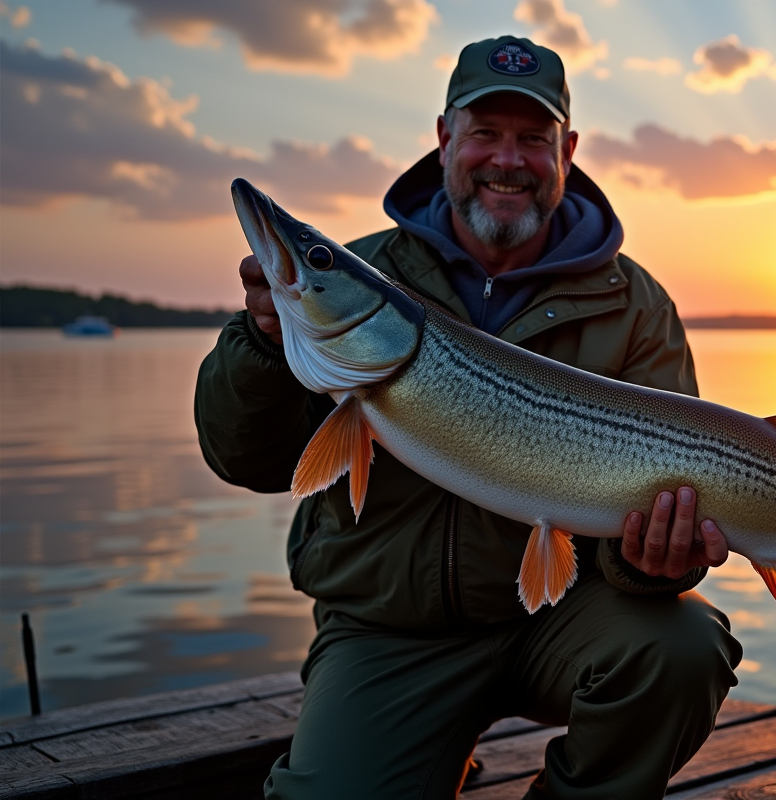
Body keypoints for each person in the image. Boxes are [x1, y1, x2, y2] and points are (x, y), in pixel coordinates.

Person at [195, 35, 742, 800]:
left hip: (562, 616)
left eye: (533, 138)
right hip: (390, 628)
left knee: (683, 646)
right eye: (485, 132)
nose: (507, 160)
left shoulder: (637, 305)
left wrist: (657, 560)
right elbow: (242, 458)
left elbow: (659, 522)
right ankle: (424, 746)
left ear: (568, 150)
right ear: (445, 138)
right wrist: (260, 342)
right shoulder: (356, 276)